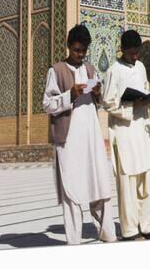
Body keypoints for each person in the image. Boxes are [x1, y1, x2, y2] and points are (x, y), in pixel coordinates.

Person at [42, 24, 117, 246]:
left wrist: (97, 92)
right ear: (68, 46)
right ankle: (73, 242)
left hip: (91, 138)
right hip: (68, 139)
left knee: (99, 185)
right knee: (71, 189)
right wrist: (69, 94)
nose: (80, 54)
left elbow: (100, 103)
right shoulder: (56, 70)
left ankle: (108, 234)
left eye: (84, 50)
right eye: (76, 50)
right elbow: (47, 104)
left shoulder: (91, 70)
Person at [102, 29, 150, 241]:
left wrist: (146, 99)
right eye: (131, 53)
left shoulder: (141, 66)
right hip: (125, 131)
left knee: (148, 178)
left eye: (137, 52)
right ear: (123, 50)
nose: (134, 56)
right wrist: (129, 105)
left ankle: (148, 225)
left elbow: (144, 88)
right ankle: (129, 230)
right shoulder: (113, 70)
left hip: (143, 129)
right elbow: (108, 102)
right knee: (127, 182)